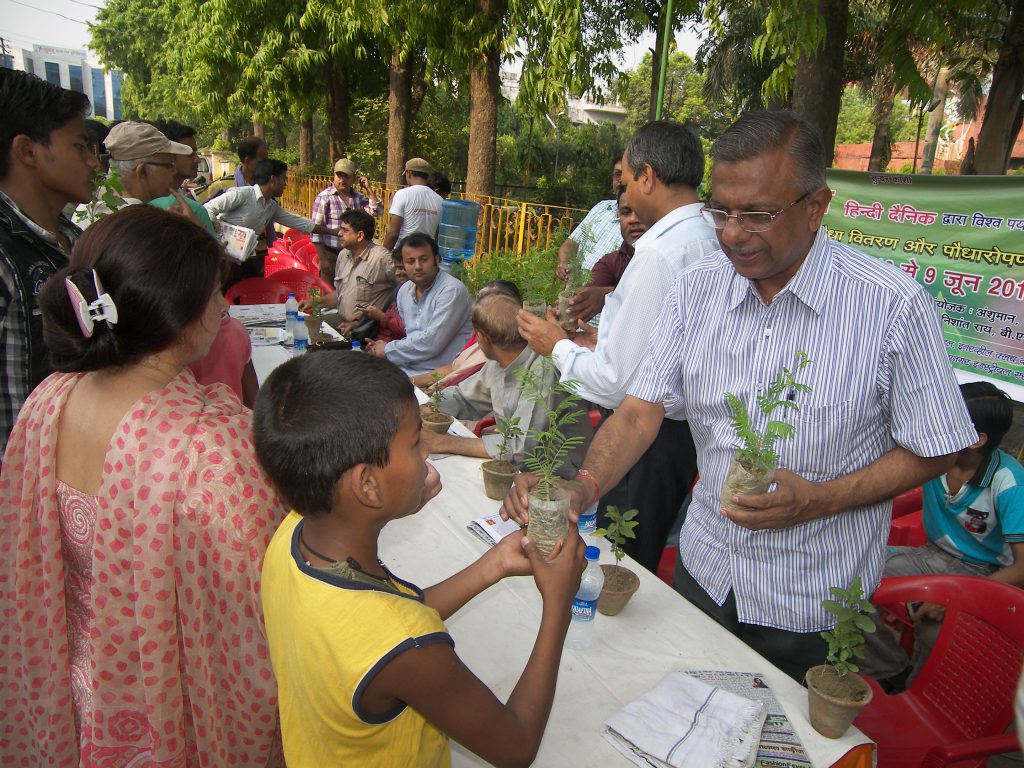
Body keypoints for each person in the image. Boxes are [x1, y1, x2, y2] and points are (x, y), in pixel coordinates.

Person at [504, 110, 978, 681]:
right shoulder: (697, 289)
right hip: (705, 573)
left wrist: (821, 499)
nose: (731, 233)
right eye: (721, 211)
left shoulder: (892, 307)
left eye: (756, 215)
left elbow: (938, 445)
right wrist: (584, 485)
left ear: (816, 207)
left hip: (813, 603)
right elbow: (637, 414)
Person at [0, 206, 285, 765]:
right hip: (165, 699)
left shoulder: (48, 400)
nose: (224, 306)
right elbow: (260, 602)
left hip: (71, 679)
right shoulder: (211, 442)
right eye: (213, 294)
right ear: (179, 312)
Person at [254, 351, 586, 767]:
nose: (426, 451)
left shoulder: (292, 535)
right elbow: (515, 746)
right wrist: (558, 603)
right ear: (368, 487)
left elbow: (375, 625)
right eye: (414, 443)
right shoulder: (408, 649)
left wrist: (494, 565)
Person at [517, 120, 719, 573]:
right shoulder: (708, 238)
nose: (623, 194)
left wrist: (558, 347)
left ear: (647, 176)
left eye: (625, 180)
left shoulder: (659, 254)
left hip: (643, 439)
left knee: (613, 560)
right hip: (680, 439)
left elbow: (617, 386)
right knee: (637, 556)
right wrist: (599, 340)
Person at [861, 382, 1024, 690]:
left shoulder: (1009, 482)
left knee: (938, 632)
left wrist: (955, 599)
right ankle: (888, 668)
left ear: (976, 440)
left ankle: (917, 695)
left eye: (948, 418)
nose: (935, 422)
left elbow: (1021, 568)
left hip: (983, 574)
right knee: (845, 579)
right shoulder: (934, 457)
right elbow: (900, 494)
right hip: (929, 555)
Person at [0, 69, 97, 455]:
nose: (93, 163)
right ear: (27, 151)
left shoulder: (74, 242)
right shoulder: (6, 255)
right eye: (79, 147)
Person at [420, 293, 593, 470]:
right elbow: (464, 398)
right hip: (518, 468)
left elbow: (519, 449)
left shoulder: (543, 367)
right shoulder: (498, 361)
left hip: (558, 477)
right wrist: (428, 407)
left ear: (482, 338)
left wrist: (443, 443)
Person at [204, 157, 340, 278]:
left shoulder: (271, 206)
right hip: (224, 258)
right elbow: (208, 209)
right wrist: (220, 236)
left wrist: (332, 232)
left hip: (247, 258)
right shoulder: (241, 195)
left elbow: (300, 223)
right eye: (283, 179)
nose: (286, 184)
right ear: (273, 180)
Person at [367, 233, 472, 376]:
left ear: (436, 259)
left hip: (441, 375)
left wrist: (387, 349)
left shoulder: (451, 291)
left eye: (424, 259)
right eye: (410, 261)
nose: (417, 266)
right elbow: (413, 336)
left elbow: (431, 343)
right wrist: (381, 348)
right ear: (403, 265)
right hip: (408, 368)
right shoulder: (404, 291)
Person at [409, 280, 522, 392]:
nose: (484, 310)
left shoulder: (494, 355)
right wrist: (412, 381)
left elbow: (462, 387)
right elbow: (454, 367)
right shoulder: (481, 338)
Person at [300, 208, 394, 336]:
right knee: (300, 326)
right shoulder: (344, 255)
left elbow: (404, 291)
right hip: (341, 320)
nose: (339, 233)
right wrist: (314, 303)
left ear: (360, 235)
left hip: (367, 327)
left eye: (345, 230)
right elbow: (340, 295)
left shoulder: (382, 258)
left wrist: (381, 318)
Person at [566, 189, 648, 324]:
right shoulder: (611, 261)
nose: (633, 219)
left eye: (641, 211)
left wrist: (608, 296)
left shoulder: (671, 255)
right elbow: (588, 295)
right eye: (626, 213)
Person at [310, 157, 383, 283]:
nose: (342, 180)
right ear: (334, 176)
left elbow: (377, 211)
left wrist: (368, 189)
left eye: (346, 176)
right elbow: (315, 231)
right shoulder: (324, 198)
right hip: (331, 254)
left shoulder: (358, 197)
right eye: (339, 175)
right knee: (328, 293)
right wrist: (323, 259)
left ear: (354, 178)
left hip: (353, 255)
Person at [556, 151, 624, 277]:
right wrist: (563, 263)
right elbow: (571, 243)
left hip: (603, 295)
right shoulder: (602, 207)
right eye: (617, 174)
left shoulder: (638, 224)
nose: (621, 180)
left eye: (626, 175)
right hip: (573, 289)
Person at [146, 119, 216, 232]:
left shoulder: (140, 203)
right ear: (169, 156)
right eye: (189, 153)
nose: (197, 160)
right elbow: (213, 249)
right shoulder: (193, 211)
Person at [382, 158, 443, 251]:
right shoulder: (440, 200)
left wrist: (382, 257)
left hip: (404, 255)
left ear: (409, 173)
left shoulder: (403, 194)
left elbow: (393, 234)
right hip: (426, 257)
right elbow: (438, 235)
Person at [194, 135, 268, 203]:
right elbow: (191, 199)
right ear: (247, 161)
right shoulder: (223, 184)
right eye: (261, 162)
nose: (265, 165)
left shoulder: (264, 183)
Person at [356, 250, 408, 344]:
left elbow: (411, 332)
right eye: (396, 268)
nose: (396, 273)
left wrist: (382, 317)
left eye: (401, 268)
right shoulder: (401, 288)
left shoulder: (420, 295)